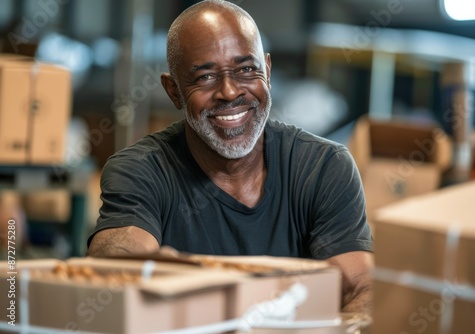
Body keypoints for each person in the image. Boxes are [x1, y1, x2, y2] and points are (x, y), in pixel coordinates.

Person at [87, 0, 373, 313]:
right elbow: (116, 263)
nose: (230, 91)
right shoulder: (142, 170)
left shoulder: (323, 168)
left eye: (246, 70)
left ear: (268, 70)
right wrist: (133, 266)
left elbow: (361, 286)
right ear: (173, 91)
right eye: (205, 77)